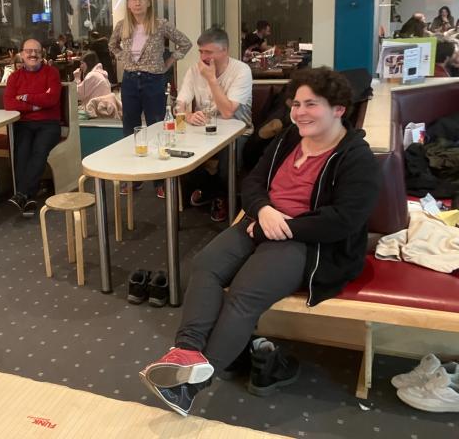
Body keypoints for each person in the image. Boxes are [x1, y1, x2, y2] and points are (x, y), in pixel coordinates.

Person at [139, 67, 381, 417]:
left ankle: (189, 387)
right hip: (260, 222)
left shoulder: (356, 157)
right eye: (296, 104)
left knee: (244, 294)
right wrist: (263, 210)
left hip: (308, 242)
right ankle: (186, 352)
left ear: (338, 109)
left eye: (311, 104)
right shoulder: (288, 139)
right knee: (205, 266)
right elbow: (251, 183)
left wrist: (277, 226)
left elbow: (343, 221)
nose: (300, 112)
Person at [108, 0, 192, 198]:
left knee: (157, 127)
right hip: (129, 81)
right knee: (130, 129)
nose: (137, 3)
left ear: (149, 2)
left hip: (153, 80)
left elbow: (185, 43)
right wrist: (123, 58)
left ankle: (159, 181)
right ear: (128, 4)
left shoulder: (160, 24)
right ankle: (133, 179)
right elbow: (112, 46)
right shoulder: (122, 26)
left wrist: (169, 61)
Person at [176, 28, 253, 221]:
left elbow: (227, 112)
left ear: (224, 50)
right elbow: (179, 105)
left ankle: (221, 197)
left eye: (209, 52)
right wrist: (188, 115)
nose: (203, 57)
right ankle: (212, 192)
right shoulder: (194, 70)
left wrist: (211, 79)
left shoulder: (241, 71)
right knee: (180, 158)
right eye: (201, 52)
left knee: (227, 165)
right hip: (204, 132)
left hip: (238, 132)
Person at [4, 39, 62, 217]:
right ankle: (28, 197)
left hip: (49, 124)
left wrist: (25, 97)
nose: (33, 54)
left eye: (36, 51)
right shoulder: (14, 77)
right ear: (22, 54)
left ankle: (22, 194)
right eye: (29, 51)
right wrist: (37, 104)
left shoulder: (52, 73)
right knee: (22, 153)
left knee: (39, 151)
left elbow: (51, 99)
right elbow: (9, 104)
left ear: (41, 53)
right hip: (24, 123)